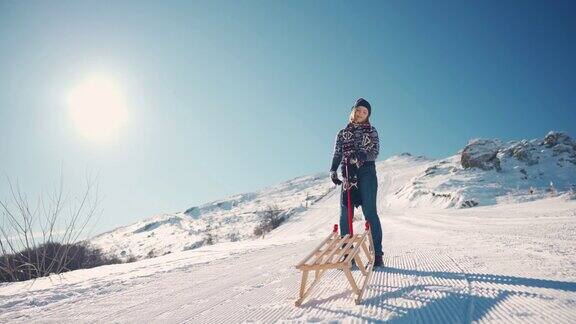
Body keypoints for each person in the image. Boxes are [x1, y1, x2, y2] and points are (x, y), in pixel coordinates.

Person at [329, 97, 384, 267]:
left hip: (366, 171)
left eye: (365, 112)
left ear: (368, 115)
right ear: (353, 111)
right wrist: (333, 169)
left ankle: (377, 255)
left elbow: (375, 152)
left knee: (370, 212)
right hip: (348, 173)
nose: (361, 114)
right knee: (345, 214)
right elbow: (337, 153)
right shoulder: (342, 133)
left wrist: (361, 155)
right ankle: (347, 254)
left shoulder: (372, 131)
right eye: (359, 110)